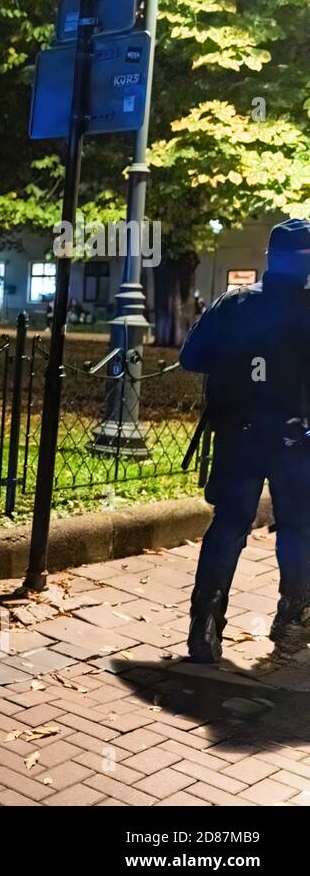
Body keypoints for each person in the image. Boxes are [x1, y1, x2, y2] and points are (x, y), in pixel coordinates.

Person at [180, 217, 310, 662]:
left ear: (271, 258)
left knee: (230, 524)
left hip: (238, 433)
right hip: (296, 440)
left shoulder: (234, 303)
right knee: (297, 528)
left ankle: (205, 622)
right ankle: (293, 619)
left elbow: (191, 357)